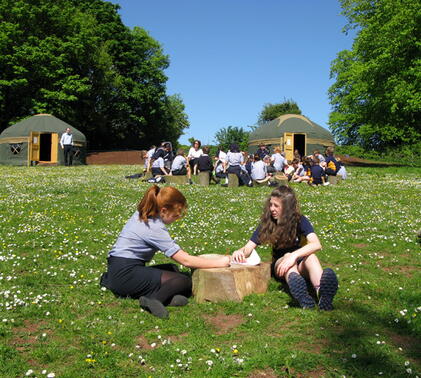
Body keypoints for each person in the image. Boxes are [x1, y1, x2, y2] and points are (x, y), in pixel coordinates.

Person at [100, 185, 231, 319]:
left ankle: (168, 298)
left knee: (172, 269)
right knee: (184, 281)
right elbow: (185, 261)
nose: (177, 219)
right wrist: (220, 262)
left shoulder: (144, 213)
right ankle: (154, 300)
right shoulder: (154, 227)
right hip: (125, 275)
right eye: (175, 215)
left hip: (118, 269)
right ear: (163, 211)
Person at [232, 186, 338, 310]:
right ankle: (303, 297)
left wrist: (293, 256)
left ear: (287, 208)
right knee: (289, 264)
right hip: (280, 265)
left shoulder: (300, 220)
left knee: (312, 257)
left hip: (299, 261)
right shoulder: (268, 223)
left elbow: (316, 244)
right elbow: (249, 247)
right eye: (271, 204)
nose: (272, 209)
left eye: (276, 206)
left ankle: (322, 294)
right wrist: (240, 251)